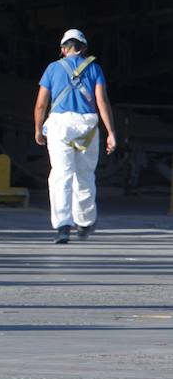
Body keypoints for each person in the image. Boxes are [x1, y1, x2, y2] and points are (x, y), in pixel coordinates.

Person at [34, 29, 117, 244]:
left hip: (60, 126)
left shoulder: (53, 68)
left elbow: (41, 104)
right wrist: (111, 133)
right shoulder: (95, 68)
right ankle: (85, 223)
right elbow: (102, 101)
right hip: (87, 127)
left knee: (61, 175)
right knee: (85, 175)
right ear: (84, 49)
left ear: (63, 49)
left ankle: (63, 227)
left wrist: (37, 129)